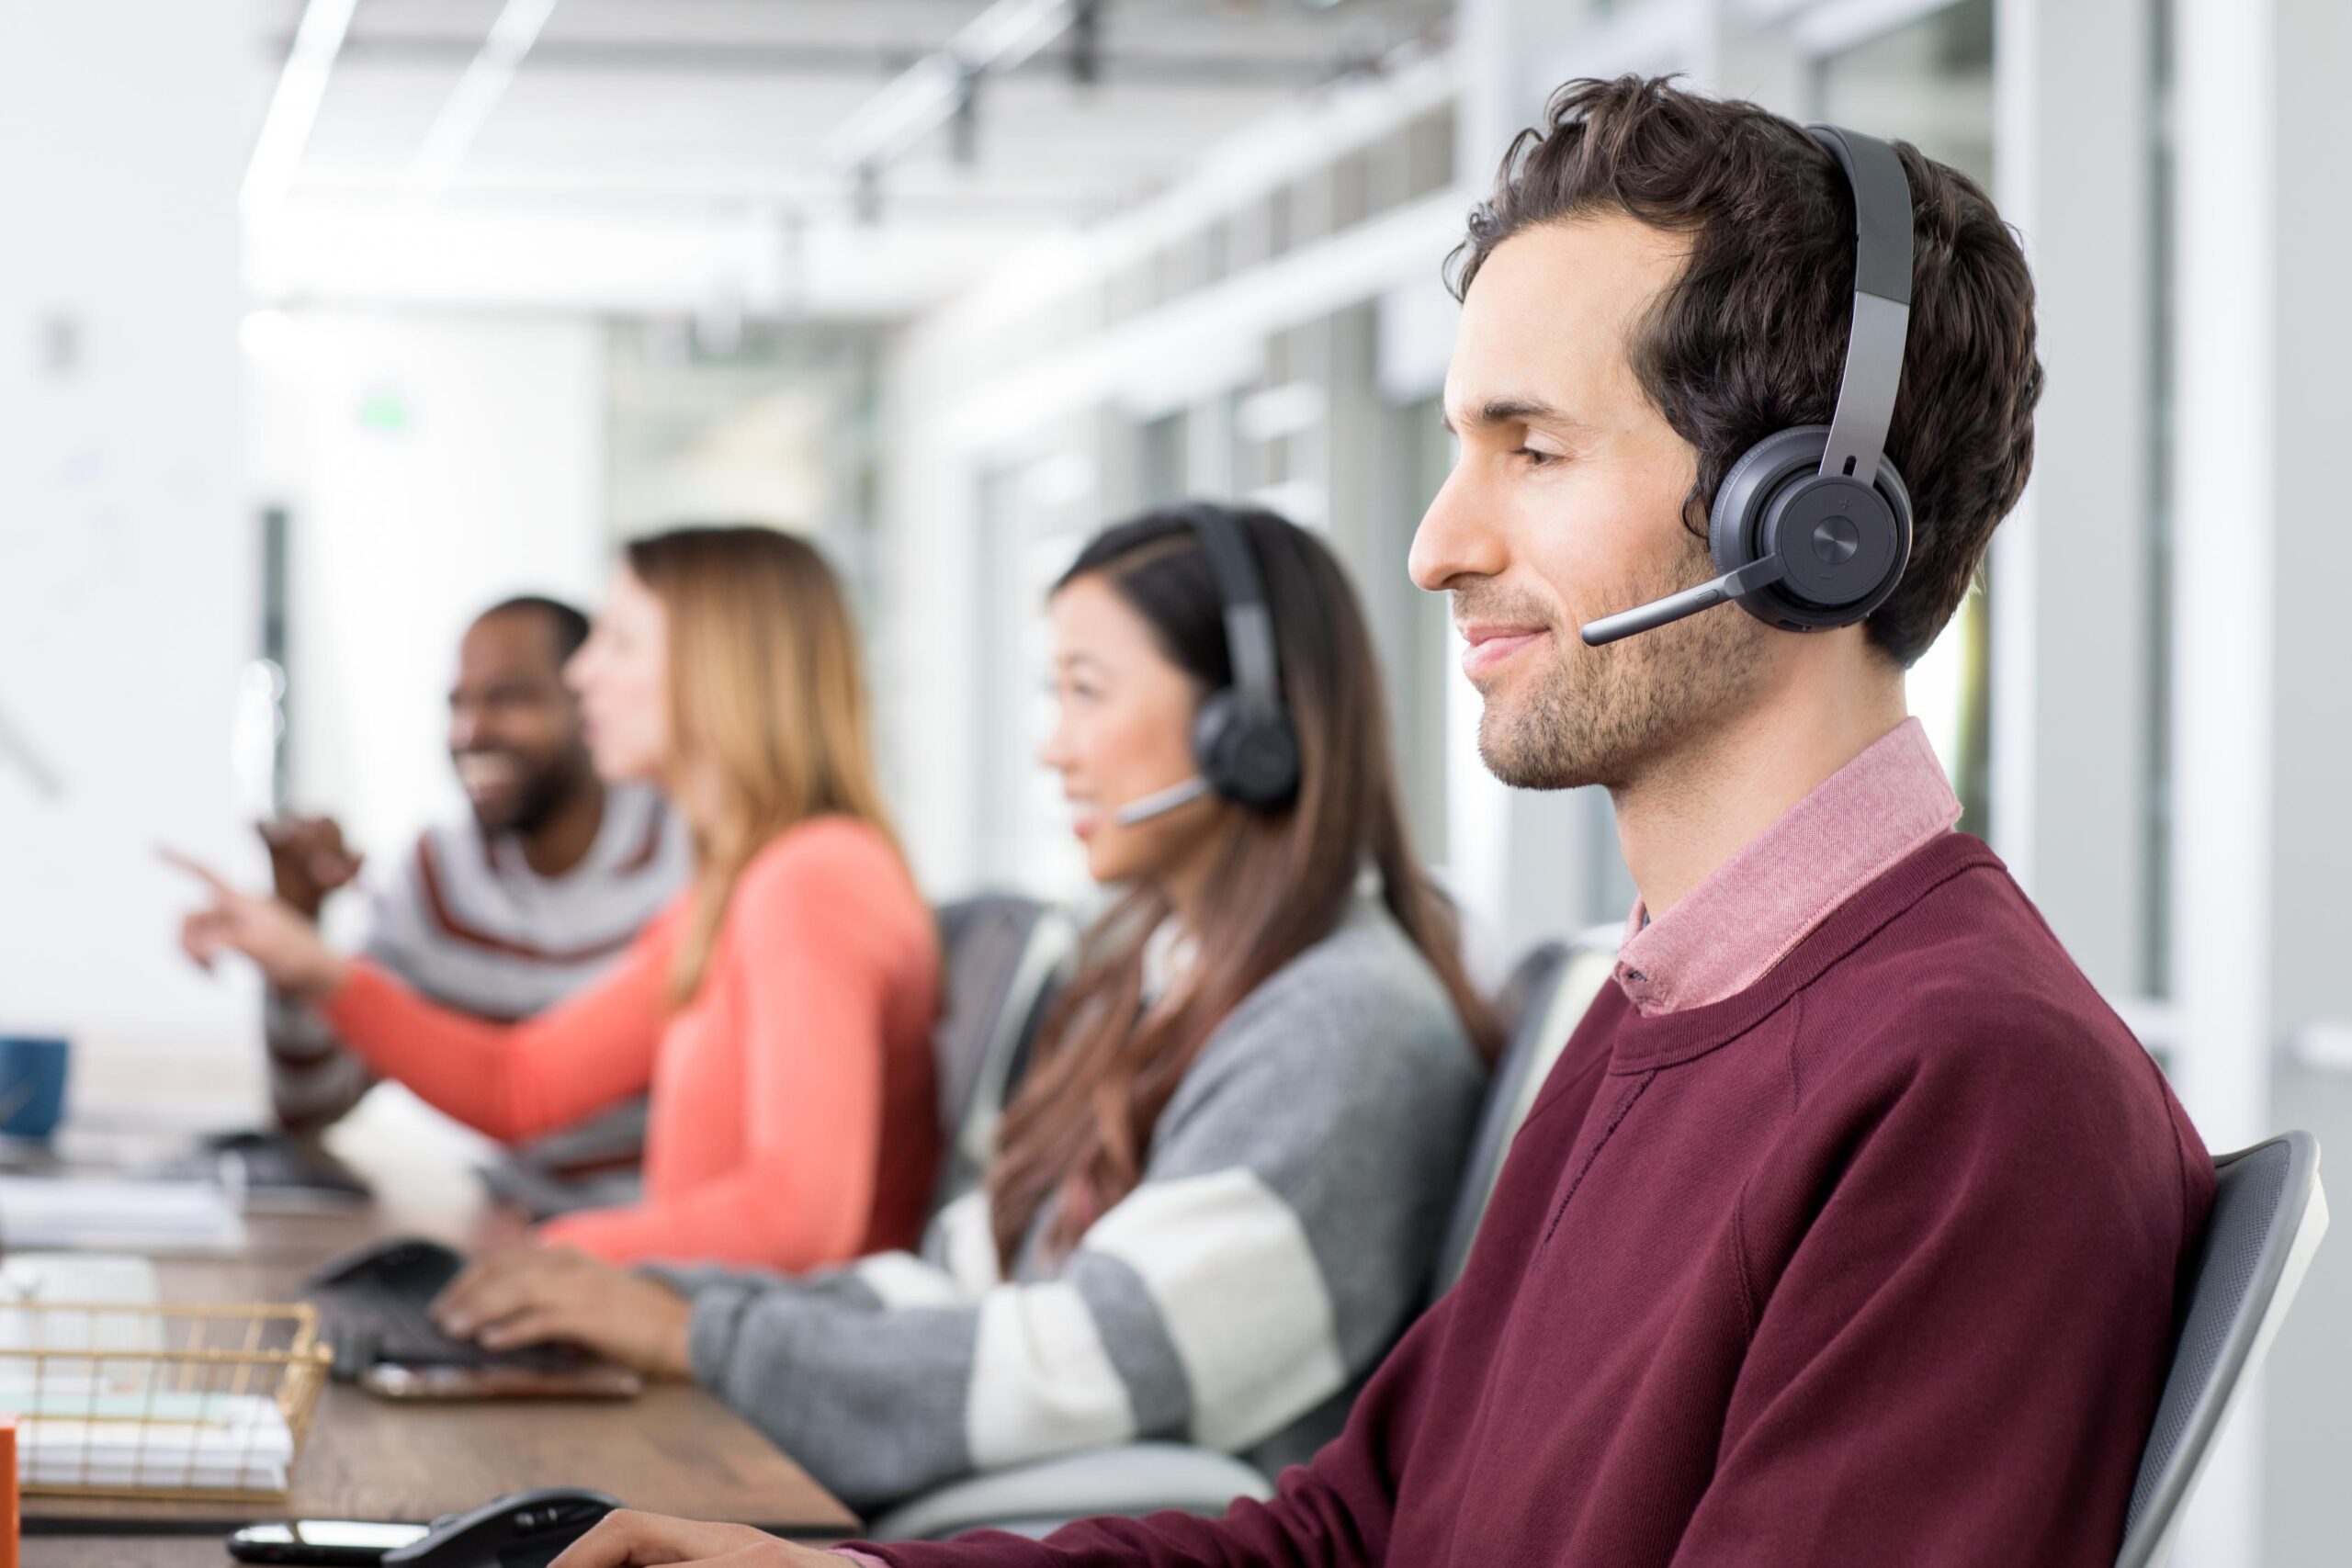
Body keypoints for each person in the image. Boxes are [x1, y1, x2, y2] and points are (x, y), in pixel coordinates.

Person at [553, 78, 2213, 1568]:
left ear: (1812, 523)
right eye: (1456, 449)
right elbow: (1351, 1531)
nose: (1432, 546)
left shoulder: (1981, 1092)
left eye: (1532, 449)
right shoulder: (1660, 1012)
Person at [427, 504, 1498, 1512]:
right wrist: (663, 1301)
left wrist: (696, 1339)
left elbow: (1087, 1364)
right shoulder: (1164, 976)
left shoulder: (1341, 1031)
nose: (1052, 747)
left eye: (1086, 690)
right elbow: (967, 1278)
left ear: (1245, 729)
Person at [176, 526, 941, 1271]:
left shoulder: (813, 879)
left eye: (620, 642)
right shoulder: (742, 884)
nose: (583, 677)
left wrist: (554, 1256)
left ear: (718, 669)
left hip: (758, 1382)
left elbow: (798, 1219)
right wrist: (309, 963)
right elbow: (523, 1085)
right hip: (705, 1335)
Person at [260, 594, 689, 1134]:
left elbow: (514, 1088)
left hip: (659, 1216)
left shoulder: (687, 858)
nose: (470, 733)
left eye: (509, 699)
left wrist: (321, 971)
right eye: (458, 705)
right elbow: (310, 1104)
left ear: (590, 699)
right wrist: (296, 932)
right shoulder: (439, 876)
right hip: (521, 1215)